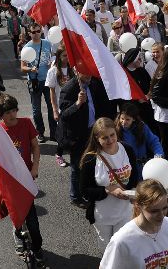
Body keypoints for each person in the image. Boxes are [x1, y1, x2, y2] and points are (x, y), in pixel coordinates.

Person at [0, 93, 45, 266]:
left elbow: (35, 146)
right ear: (0, 114)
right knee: (17, 217)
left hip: (27, 179)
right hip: (10, 183)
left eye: (14, 110)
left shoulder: (26, 123)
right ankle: (19, 241)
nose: (12, 114)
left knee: (33, 222)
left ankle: (37, 246)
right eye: (7, 112)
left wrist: (35, 167)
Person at [80, 117, 139, 252]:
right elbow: (84, 191)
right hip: (102, 215)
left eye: (112, 135)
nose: (110, 140)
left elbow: (134, 176)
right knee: (108, 251)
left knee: (123, 247)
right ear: (97, 139)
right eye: (105, 138)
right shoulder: (90, 159)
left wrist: (131, 192)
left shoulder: (127, 149)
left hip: (125, 211)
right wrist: (107, 190)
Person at [58, 71, 116, 207]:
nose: (89, 75)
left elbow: (101, 104)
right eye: (85, 72)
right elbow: (64, 115)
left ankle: (87, 191)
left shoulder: (93, 84)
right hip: (77, 135)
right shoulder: (69, 88)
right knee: (77, 166)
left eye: (89, 71)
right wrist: (77, 103)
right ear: (77, 71)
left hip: (91, 132)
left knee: (91, 163)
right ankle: (75, 196)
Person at [100, 179, 168, 269]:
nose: (161, 215)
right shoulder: (122, 241)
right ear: (138, 206)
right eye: (154, 211)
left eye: (164, 208)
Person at [20, 24, 54, 143]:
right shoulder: (27, 47)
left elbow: (53, 58)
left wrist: (52, 64)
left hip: (48, 80)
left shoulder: (47, 43)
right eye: (33, 32)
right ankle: (40, 132)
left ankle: (54, 132)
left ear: (41, 32)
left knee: (51, 107)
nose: (36, 34)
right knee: (36, 109)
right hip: (34, 81)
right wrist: (31, 69)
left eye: (38, 31)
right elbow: (23, 67)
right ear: (29, 33)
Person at [115, 103, 164, 181]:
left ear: (134, 119)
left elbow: (153, 141)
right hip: (123, 168)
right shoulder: (115, 130)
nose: (124, 122)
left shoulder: (142, 127)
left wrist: (158, 153)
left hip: (140, 167)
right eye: (122, 119)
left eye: (127, 119)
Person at [45, 45, 71, 168]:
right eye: (64, 56)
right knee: (63, 132)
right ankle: (58, 154)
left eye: (68, 55)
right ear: (59, 57)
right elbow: (52, 92)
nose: (67, 58)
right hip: (61, 107)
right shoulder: (53, 71)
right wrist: (55, 110)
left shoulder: (74, 68)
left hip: (74, 104)